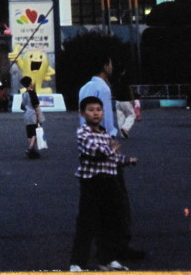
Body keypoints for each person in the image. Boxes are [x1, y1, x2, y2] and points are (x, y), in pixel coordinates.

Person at [76, 52, 145, 263]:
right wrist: (111, 148)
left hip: (88, 148)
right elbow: (104, 121)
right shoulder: (103, 88)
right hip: (105, 148)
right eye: (111, 63)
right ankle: (118, 248)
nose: (112, 67)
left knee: (96, 205)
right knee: (117, 202)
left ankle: (101, 249)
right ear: (106, 65)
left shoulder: (84, 88)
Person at [69, 96, 138, 271]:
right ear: (82, 113)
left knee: (109, 222)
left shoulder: (105, 133)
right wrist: (112, 150)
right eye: (91, 110)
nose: (95, 113)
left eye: (99, 110)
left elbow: (112, 158)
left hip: (108, 182)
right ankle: (77, 263)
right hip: (92, 183)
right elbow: (96, 152)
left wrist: (127, 160)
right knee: (87, 222)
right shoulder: (83, 133)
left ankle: (107, 259)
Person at [20, 76, 44, 158]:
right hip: (33, 114)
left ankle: (32, 150)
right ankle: (30, 148)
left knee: (29, 133)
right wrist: (38, 117)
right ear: (30, 83)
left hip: (27, 115)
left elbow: (22, 106)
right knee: (36, 132)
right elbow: (36, 106)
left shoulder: (24, 94)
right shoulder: (32, 93)